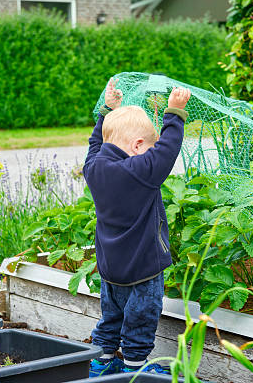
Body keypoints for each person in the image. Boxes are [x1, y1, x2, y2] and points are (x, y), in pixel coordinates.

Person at [83, 78, 191, 377]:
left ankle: (100, 364)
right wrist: (174, 113)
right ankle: (134, 370)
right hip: (143, 270)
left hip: (110, 270)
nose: (151, 154)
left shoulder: (93, 168)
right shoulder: (139, 172)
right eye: (148, 149)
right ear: (137, 146)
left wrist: (106, 112)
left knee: (112, 318)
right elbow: (167, 152)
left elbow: (95, 144)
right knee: (141, 320)